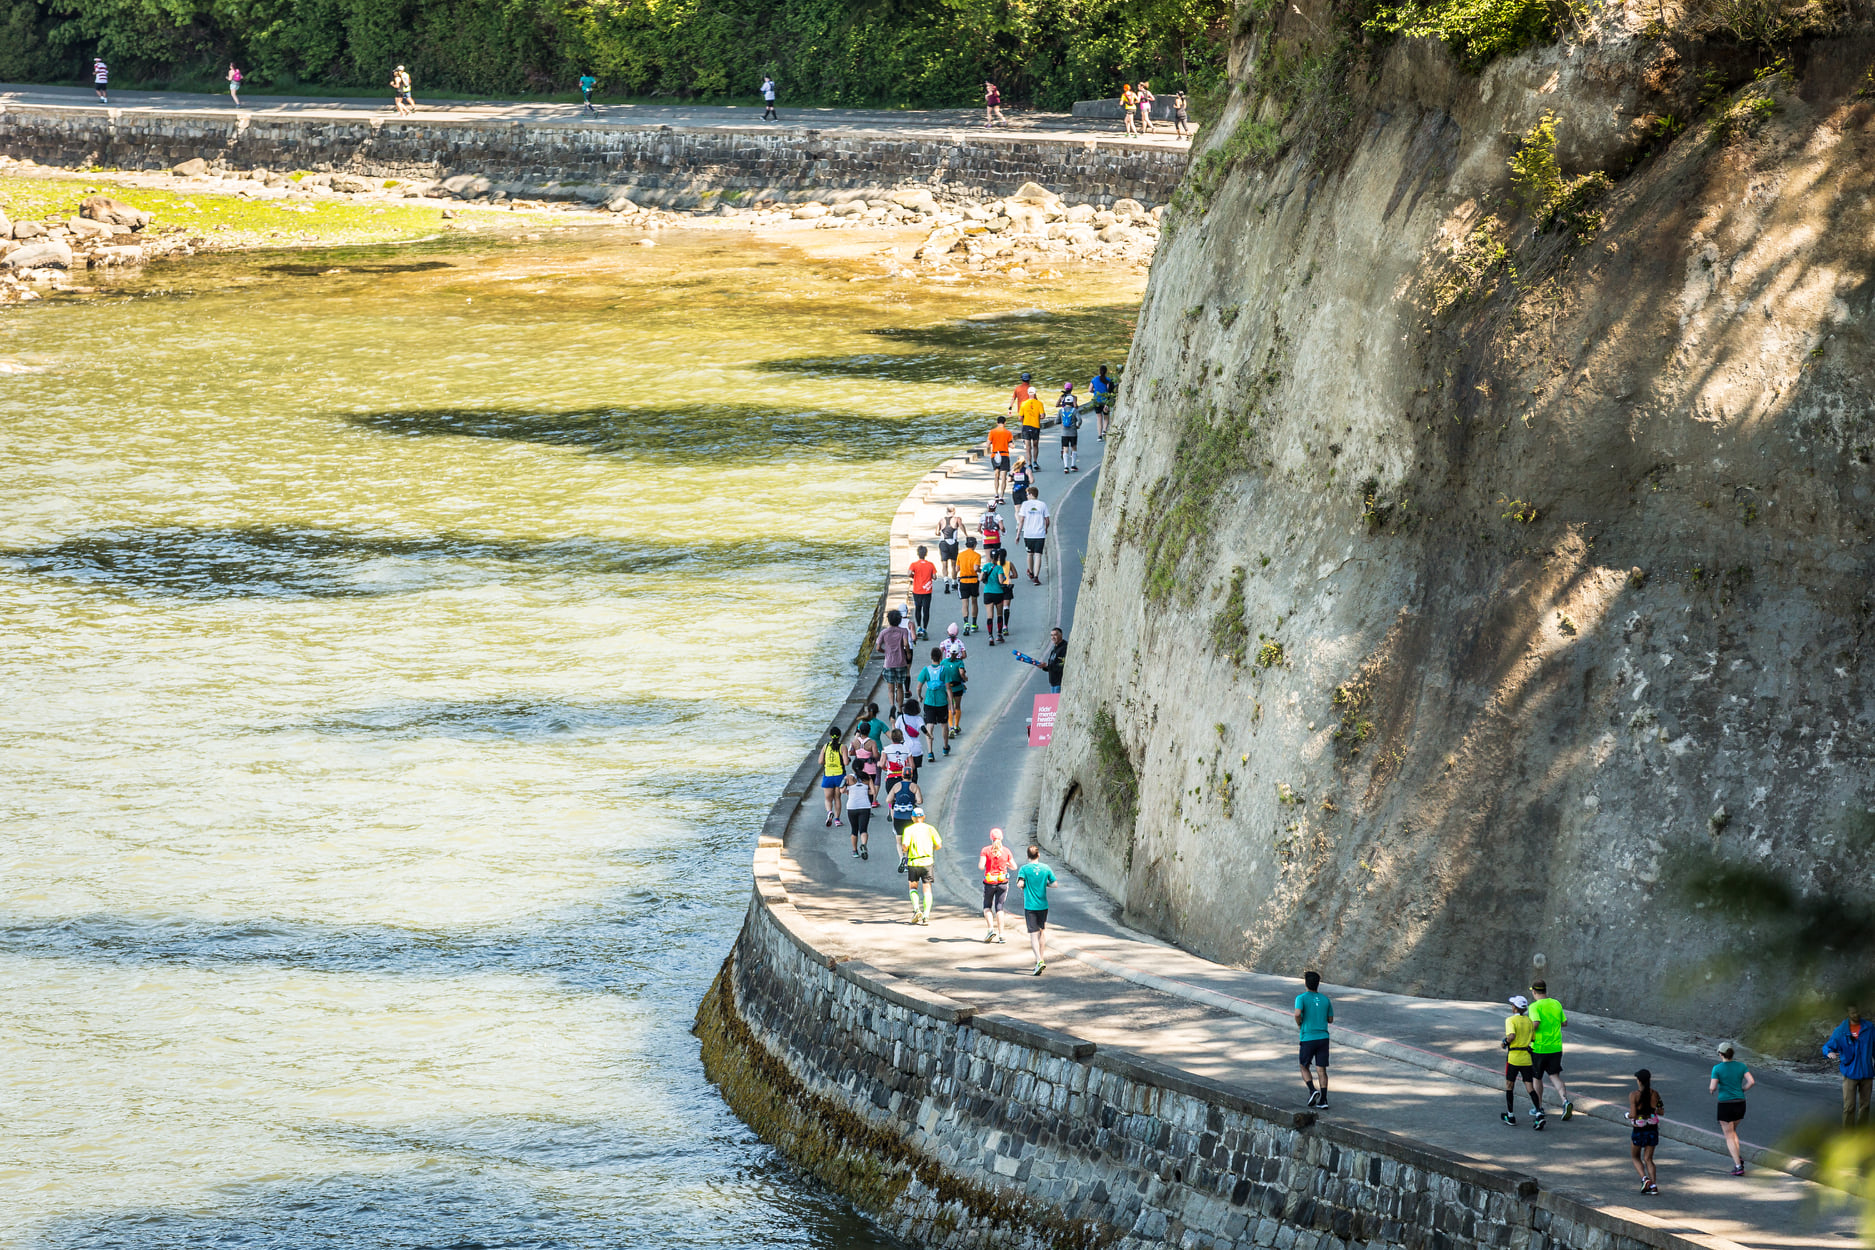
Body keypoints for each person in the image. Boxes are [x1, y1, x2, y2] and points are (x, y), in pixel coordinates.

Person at [1529, 980, 1576, 1120]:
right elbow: (1564, 1023)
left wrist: (1526, 1032)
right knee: (1554, 1076)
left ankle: (1538, 1108)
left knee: (1537, 1077)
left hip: (1539, 1047)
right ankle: (1565, 1101)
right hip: (1555, 1047)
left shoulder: (1534, 1006)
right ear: (1545, 990)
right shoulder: (1556, 1003)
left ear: (1534, 992)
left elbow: (1535, 1023)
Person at [1823, 1004, 1874, 1129]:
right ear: (1848, 1013)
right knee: (1849, 1106)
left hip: (1867, 1073)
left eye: (1857, 1012)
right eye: (1852, 1013)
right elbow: (1828, 1046)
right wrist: (1829, 1052)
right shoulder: (1841, 1031)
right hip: (1850, 1073)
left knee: (1865, 1105)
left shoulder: (1869, 1028)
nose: (1856, 1015)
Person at [1502, 995, 1546, 1129]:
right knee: (1529, 1087)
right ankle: (1538, 1113)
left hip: (1514, 1058)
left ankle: (1510, 1115)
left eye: (1512, 1005)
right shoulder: (1529, 1021)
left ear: (1515, 1008)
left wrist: (1505, 1042)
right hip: (1527, 1059)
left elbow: (1511, 1036)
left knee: (1510, 1085)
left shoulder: (1510, 1020)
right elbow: (1533, 1039)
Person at [1710, 1042, 1754, 1175]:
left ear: (1720, 1053)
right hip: (1740, 1102)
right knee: (1733, 1131)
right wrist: (1743, 1089)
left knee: (1729, 1135)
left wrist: (1712, 1090)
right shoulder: (1741, 1066)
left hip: (1725, 1104)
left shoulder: (1717, 1068)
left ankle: (1738, 1165)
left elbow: (1712, 1087)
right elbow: (1751, 1081)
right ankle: (1737, 1157)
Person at [1295, 970, 1334, 1109]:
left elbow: (1297, 1013)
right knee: (1321, 1069)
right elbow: (1330, 1019)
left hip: (1308, 1037)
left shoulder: (1301, 998)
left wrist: (1299, 1023)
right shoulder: (1325, 999)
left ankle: (1312, 1090)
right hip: (1323, 1037)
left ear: (1306, 983)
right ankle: (1324, 1100)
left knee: (1303, 1065)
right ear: (1318, 984)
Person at [1015, 844, 1056, 974]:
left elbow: (1020, 883)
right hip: (1043, 906)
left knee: (1033, 935)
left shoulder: (1024, 869)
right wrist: (1045, 884)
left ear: (1028, 856)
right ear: (1038, 855)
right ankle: (1041, 958)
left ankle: (1038, 961)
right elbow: (1055, 884)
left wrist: (1022, 885)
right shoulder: (1046, 868)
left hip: (1030, 906)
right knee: (1042, 932)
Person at [899, 808, 942, 924]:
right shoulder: (930, 829)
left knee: (913, 887)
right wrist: (930, 848)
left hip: (914, 862)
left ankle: (917, 909)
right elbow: (939, 845)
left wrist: (905, 850)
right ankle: (926, 914)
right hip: (927, 862)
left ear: (912, 818)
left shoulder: (908, 830)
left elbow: (905, 846)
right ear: (924, 817)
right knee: (927, 888)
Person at [1627, 1069, 1664, 1195]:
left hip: (1639, 1129)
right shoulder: (1655, 1094)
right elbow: (1661, 1111)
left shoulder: (1634, 1095)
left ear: (1639, 1081)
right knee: (1648, 1159)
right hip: (1652, 1129)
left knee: (1635, 1156)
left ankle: (1644, 1179)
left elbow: (1633, 1114)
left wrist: (1627, 1116)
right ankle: (1653, 1186)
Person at [876, 607, 915, 713]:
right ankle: (900, 708)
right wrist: (907, 653)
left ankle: (892, 706)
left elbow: (878, 648)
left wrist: (886, 652)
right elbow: (906, 643)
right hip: (901, 661)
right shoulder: (903, 631)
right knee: (900, 686)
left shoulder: (884, 633)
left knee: (890, 688)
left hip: (888, 663)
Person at [979, 827, 1015, 943]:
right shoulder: (1006, 851)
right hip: (1003, 882)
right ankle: (1001, 935)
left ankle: (990, 930)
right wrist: (1006, 864)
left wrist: (987, 864)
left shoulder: (985, 850)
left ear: (991, 838)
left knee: (987, 907)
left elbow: (981, 866)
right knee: (999, 908)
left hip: (989, 883)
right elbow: (1014, 867)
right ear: (1002, 837)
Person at [917, 646, 952, 760]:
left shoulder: (926, 670)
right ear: (941, 657)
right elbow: (948, 689)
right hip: (942, 701)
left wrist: (919, 696)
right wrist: (951, 705)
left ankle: (930, 752)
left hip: (929, 701)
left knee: (930, 725)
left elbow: (919, 687)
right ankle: (945, 747)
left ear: (931, 657)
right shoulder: (944, 670)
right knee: (944, 725)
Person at [1017, 492, 1049, 584]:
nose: (1026, 495)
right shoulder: (1042, 504)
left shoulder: (1025, 504)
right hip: (1040, 534)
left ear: (1031, 494)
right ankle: (1036, 577)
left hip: (1028, 534)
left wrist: (1018, 534)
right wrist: (1045, 529)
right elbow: (1047, 520)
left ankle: (1031, 572)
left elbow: (1021, 520)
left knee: (1030, 554)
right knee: (1038, 555)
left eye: (1027, 494)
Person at [818, 726, 846, 828]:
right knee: (837, 798)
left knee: (828, 798)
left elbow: (820, 761)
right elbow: (846, 762)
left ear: (830, 736)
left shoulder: (825, 746)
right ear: (840, 736)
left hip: (828, 775)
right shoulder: (842, 747)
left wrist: (829, 763)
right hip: (839, 775)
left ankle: (829, 812)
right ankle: (837, 820)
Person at [981, 545, 1008, 645]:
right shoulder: (999, 568)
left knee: (990, 616)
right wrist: (1004, 578)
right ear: (998, 557)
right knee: (999, 614)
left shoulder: (985, 566)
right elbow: (1001, 580)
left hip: (987, 592)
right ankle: (999, 634)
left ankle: (990, 636)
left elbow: (980, 579)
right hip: (998, 593)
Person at [886, 771, 923, 845]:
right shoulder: (914, 786)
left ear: (902, 775)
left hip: (898, 816)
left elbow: (888, 800)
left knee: (899, 839)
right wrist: (912, 800)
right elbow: (919, 801)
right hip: (910, 815)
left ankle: (902, 855)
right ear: (911, 775)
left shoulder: (896, 786)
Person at [939, 640, 967, 738]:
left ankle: (950, 727)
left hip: (947, 687)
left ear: (949, 652)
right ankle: (956, 725)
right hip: (958, 687)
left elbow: (940, 672)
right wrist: (965, 679)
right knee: (957, 706)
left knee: (950, 706)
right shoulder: (960, 662)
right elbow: (961, 673)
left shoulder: (944, 662)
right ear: (958, 653)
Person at [843, 773, 874, 859]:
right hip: (865, 806)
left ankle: (855, 851)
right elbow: (873, 792)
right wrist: (865, 791)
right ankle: (863, 845)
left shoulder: (848, 777)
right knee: (863, 830)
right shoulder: (867, 777)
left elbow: (842, 790)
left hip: (852, 807)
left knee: (854, 829)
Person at [910, 545, 936, 640]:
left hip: (917, 590)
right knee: (926, 610)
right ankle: (925, 629)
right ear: (926, 554)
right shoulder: (930, 565)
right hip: (927, 591)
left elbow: (909, 573)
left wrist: (914, 576)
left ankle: (918, 627)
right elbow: (934, 576)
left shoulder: (914, 564)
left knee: (918, 608)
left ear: (918, 554)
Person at [985, 417, 1014, 504]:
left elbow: (987, 444)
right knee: (1003, 477)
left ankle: (996, 494)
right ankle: (1001, 497)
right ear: (1005, 423)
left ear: (997, 423)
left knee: (996, 475)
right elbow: (1011, 445)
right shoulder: (1008, 433)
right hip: (1004, 455)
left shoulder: (992, 432)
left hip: (995, 455)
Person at [957, 536, 982, 635]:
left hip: (963, 580)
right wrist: (981, 571)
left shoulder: (960, 555)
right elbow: (976, 568)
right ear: (975, 545)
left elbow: (956, 569)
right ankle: (974, 624)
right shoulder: (977, 555)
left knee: (965, 603)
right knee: (974, 602)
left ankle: (966, 623)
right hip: (973, 580)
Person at [1017, 386, 1046, 470]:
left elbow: (1019, 417)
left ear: (1028, 393)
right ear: (1035, 393)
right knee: (1035, 445)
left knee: (1028, 447)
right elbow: (1042, 416)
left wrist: (1025, 419)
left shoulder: (1023, 403)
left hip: (1026, 426)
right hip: (1036, 426)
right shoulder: (1039, 403)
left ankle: (1029, 464)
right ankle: (1035, 462)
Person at [937, 507, 965, 593]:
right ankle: (954, 582)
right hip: (953, 544)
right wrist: (966, 534)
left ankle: (946, 581)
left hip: (943, 543)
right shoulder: (957, 519)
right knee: (954, 564)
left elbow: (936, 532)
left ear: (946, 511)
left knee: (944, 564)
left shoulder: (941, 520)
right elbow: (961, 527)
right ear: (954, 511)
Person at [849, 727, 881, 800]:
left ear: (860, 731)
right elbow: (876, 755)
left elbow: (850, 752)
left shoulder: (855, 741)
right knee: (869, 786)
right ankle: (869, 802)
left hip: (859, 768)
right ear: (869, 731)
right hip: (870, 768)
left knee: (860, 785)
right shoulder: (872, 742)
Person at [1057, 385, 1081, 472]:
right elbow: (1080, 420)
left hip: (1064, 433)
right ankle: (1073, 465)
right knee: (1074, 447)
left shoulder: (1061, 411)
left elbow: (1056, 421)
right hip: (1073, 432)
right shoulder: (1074, 410)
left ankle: (1066, 466)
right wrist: (1078, 425)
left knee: (1065, 448)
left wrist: (1062, 424)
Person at [1090, 364, 1116, 439]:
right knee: (1106, 417)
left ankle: (1099, 436)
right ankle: (1104, 430)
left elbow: (1090, 390)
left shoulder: (1094, 379)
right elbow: (1109, 391)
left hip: (1096, 401)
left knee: (1099, 418)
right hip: (1105, 401)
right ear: (1106, 372)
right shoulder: (1108, 380)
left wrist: (1095, 391)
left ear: (1099, 371)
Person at [1039, 626, 1067, 693]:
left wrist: (1048, 665)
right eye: (1051, 635)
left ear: (1061, 635)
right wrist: (1044, 667)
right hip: (1053, 684)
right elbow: (1052, 665)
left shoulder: (1064, 648)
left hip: (1059, 683)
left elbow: (1062, 666)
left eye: (1055, 635)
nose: (1053, 637)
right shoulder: (1054, 649)